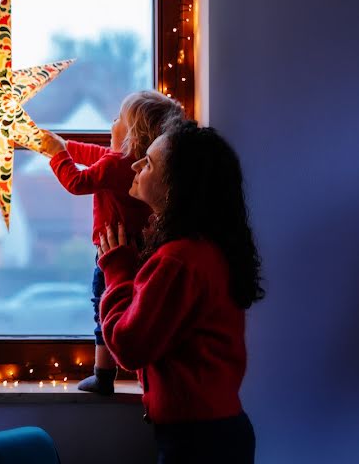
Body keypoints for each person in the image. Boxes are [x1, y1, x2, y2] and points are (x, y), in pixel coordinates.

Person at [97, 119, 264, 463]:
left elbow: (130, 346)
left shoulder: (180, 260)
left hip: (199, 441)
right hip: (213, 432)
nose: (137, 165)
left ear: (176, 187)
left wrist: (116, 270)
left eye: (150, 162)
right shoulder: (200, 249)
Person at [41, 91, 183, 395]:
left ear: (132, 133)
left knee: (105, 307)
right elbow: (95, 154)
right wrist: (64, 147)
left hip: (113, 252)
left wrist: (57, 155)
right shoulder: (136, 164)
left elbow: (77, 183)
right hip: (144, 249)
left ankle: (103, 374)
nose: (112, 121)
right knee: (139, 310)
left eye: (118, 118)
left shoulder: (117, 165)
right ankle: (140, 372)